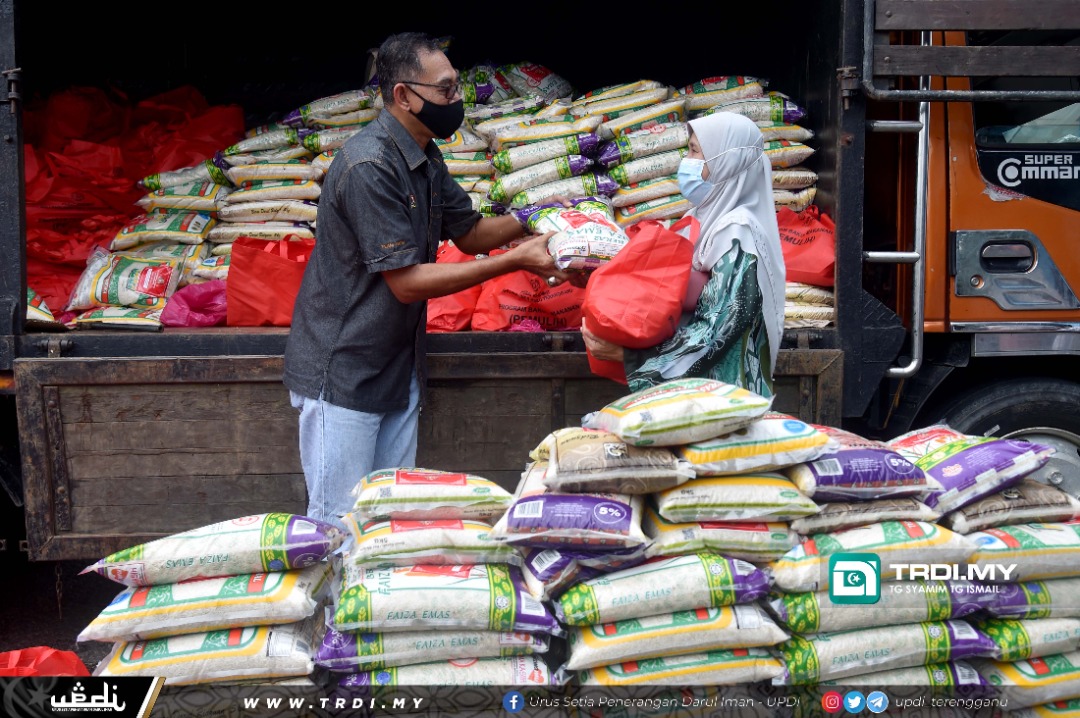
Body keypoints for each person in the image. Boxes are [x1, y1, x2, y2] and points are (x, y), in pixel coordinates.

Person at [282, 32, 574, 530]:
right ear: (403, 95)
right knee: (340, 528)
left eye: (457, 86)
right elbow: (407, 283)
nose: (456, 99)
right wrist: (515, 261)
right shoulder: (369, 165)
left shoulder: (424, 156)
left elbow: (473, 233)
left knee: (395, 522)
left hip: (396, 368)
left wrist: (543, 219)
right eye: (444, 90)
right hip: (344, 372)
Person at [582, 111, 786, 397]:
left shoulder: (738, 233)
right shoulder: (706, 219)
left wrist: (629, 357)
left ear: (726, 161)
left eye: (694, 151)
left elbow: (717, 330)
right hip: (694, 397)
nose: (686, 161)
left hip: (723, 403)